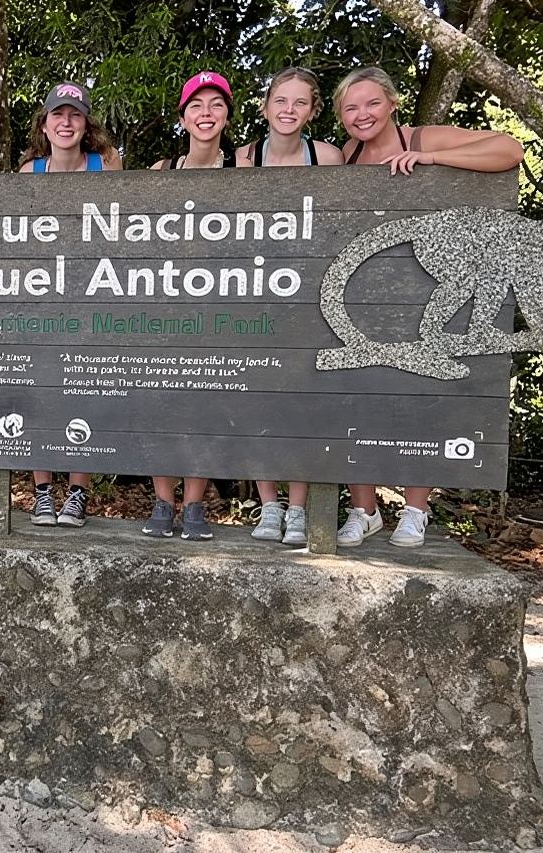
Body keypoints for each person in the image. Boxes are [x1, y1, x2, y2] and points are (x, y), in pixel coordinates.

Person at [333, 66, 523, 547]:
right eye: (351, 108)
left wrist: (430, 158)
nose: (362, 114)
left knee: (423, 397)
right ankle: (364, 509)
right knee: (360, 396)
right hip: (372, 290)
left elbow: (509, 149)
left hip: (431, 286)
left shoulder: (420, 135)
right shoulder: (345, 158)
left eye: (372, 103)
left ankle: (415, 511)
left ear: (392, 103)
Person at [140, 71, 250, 541]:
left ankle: (194, 506)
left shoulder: (243, 174)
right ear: (183, 117)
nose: (206, 115)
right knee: (159, 407)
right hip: (162, 308)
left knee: (203, 407)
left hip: (217, 309)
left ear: (227, 115)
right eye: (196, 106)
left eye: (216, 106)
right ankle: (162, 503)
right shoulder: (159, 174)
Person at [236, 67, 342, 545]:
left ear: (313, 110)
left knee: (302, 404)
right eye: (281, 101)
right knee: (258, 402)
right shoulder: (243, 159)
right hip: (256, 292)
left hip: (311, 296)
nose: (288, 111)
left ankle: (298, 509)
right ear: (265, 105)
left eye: (300, 103)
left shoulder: (329, 157)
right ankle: (268, 506)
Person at [21, 81, 121, 526]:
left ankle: (77, 492)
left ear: (85, 124)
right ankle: (43, 492)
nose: (66, 122)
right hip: (41, 299)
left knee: (88, 391)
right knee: (38, 394)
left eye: (74, 115)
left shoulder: (107, 166)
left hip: (94, 297)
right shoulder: (30, 174)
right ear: (44, 125)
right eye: (57, 115)